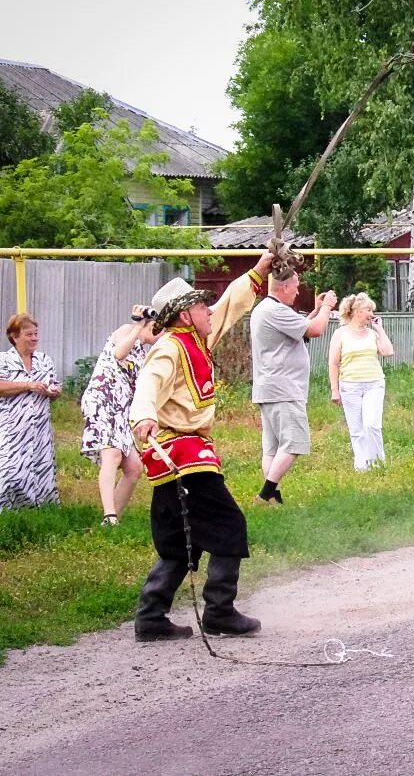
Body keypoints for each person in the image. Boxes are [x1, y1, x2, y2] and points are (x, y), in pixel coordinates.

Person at [129, 255, 271, 641]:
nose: (208, 309)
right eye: (199, 305)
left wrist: (263, 265)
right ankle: (219, 611)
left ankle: (151, 616)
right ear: (185, 316)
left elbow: (230, 304)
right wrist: (143, 416)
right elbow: (148, 384)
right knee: (229, 524)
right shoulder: (171, 349)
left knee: (177, 541)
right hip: (185, 457)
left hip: (175, 458)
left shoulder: (197, 339)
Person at [251, 273, 336, 505]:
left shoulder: (265, 309)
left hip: (269, 387)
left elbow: (299, 328)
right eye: (296, 287)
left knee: (273, 447)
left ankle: (273, 498)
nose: (298, 291)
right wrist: (327, 307)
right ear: (285, 286)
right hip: (283, 388)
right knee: (293, 443)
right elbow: (315, 330)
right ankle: (265, 494)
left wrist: (316, 311)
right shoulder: (276, 310)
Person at [80, 305, 158, 524]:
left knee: (134, 467)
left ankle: (111, 520)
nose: (160, 335)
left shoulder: (144, 354)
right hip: (103, 400)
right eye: (158, 329)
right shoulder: (126, 331)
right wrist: (138, 325)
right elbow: (119, 353)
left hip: (122, 408)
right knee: (112, 454)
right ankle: (109, 514)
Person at [0, 314, 60, 511]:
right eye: (29, 334)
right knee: (10, 470)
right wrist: (29, 385)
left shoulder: (44, 361)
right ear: (15, 336)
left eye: (36, 334)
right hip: (12, 427)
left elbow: (55, 387)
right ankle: (7, 511)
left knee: (40, 468)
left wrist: (54, 391)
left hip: (40, 428)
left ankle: (39, 511)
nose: (34, 338)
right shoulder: (4, 361)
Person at [328, 292, 394, 471]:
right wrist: (335, 390)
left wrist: (380, 329)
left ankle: (378, 463)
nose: (371, 313)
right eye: (368, 309)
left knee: (371, 424)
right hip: (350, 385)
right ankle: (362, 466)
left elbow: (388, 351)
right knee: (357, 429)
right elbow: (333, 363)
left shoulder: (372, 334)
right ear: (356, 311)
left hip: (374, 383)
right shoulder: (340, 334)